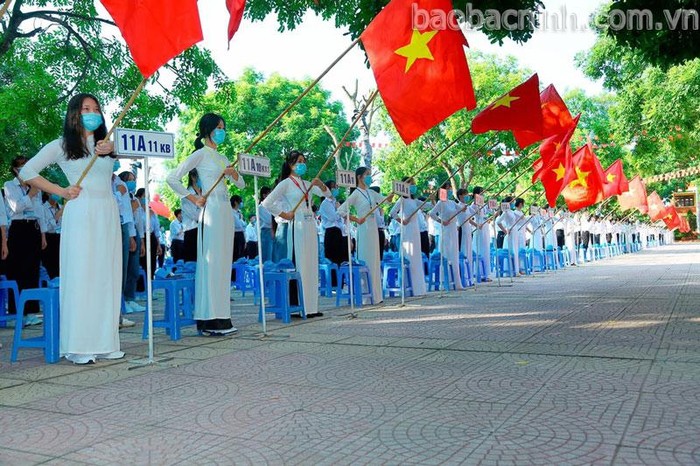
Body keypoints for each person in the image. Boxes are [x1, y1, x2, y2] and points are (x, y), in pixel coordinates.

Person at [20, 93, 123, 363]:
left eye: (96, 109)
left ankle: (106, 342)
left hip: (107, 211)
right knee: (82, 274)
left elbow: (139, 152)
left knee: (106, 275)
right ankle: (79, 345)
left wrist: (112, 146)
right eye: (85, 108)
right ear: (74, 114)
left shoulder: (107, 144)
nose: (92, 113)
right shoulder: (62, 145)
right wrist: (61, 191)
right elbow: (28, 171)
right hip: (81, 212)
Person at [167, 113, 245, 335]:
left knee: (223, 263)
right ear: (208, 129)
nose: (222, 131)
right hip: (209, 210)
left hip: (224, 210)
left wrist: (233, 172)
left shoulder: (222, 157)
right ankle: (209, 318)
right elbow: (172, 177)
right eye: (219, 127)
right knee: (211, 263)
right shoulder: (200, 155)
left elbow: (241, 184)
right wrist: (192, 198)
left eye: (223, 127)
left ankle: (223, 316)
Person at [262, 150, 330, 317]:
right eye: (299, 161)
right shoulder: (285, 183)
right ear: (291, 164)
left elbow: (328, 195)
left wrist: (320, 185)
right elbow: (267, 202)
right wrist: (284, 214)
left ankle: (311, 306)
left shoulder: (307, 183)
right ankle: (298, 305)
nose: (302, 164)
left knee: (311, 264)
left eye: (304, 161)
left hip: (309, 224)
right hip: (296, 225)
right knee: (300, 263)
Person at [338, 167, 393, 304]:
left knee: (375, 260)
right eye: (367, 175)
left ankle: (376, 294)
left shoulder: (370, 192)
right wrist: (356, 219)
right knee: (366, 260)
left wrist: (392, 195)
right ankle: (364, 295)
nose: (369, 177)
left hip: (373, 229)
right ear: (359, 177)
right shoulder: (356, 194)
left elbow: (385, 201)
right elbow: (341, 210)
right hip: (363, 229)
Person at [4, 156, 47, 323]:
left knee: (32, 270)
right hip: (18, 229)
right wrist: (30, 194)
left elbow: (40, 212)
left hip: (34, 229)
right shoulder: (9, 186)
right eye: (21, 166)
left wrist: (43, 234)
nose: (24, 168)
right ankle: (17, 313)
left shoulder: (36, 185)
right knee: (17, 270)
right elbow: (16, 207)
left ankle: (31, 312)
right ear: (15, 169)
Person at [390, 178, 427, 296]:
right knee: (409, 256)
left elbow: (427, 206)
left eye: (414, 184)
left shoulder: (414, 200)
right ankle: (407, 285)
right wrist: (402, 221)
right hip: (407, 231)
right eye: (411, 184)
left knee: (416, 256)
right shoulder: (402, 200)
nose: (413, 186)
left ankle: (418, 286)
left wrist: (432, 198)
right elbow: (392, 213)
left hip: (416, 230)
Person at [429, 183, 465, 290]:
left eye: (450, 189)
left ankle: (457, 282)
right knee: (446, 254)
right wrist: (441, 221)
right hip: (445, 230)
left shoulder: (452, 202)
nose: (449, 191)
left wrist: (463, 207)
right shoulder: (441, 203)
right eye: (447, 189)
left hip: (454, 230)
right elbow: (432, 214)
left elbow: (461, 209)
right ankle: (444, 281)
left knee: (454, 255)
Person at [319, 180, 347, 268]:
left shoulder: (335, 202)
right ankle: (334, 280)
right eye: (334, 187)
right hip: (331, 233)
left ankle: (340, 280)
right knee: (333, 259)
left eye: (336, 187)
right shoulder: (325, 204)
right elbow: (333, 217)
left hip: (339, 232)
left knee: (341, 259)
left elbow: (342, 219)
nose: (336, 189)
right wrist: (339, 210)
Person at [181, 169, 201, 263]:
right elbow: (196, 216)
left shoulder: (203, 193)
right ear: (193, 177)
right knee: (193, 264)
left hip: (204, 230)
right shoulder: (187, 194)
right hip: (192, 232)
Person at [40, 192, 62, 279]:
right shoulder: (43, 207)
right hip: (49, 238)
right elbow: (46, 226)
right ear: (48, 193)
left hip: (60, 238)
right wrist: (58, 214)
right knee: (51, 267)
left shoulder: (60, 206)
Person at [257, 186, 273, 262]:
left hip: (271, 230)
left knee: (271, 254)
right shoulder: (261, 207)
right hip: (266, 231)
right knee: (267, 254)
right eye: (269, 194)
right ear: (264, 195)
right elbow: (269, 220)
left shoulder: (271, 206)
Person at [230, 195, 246, 263]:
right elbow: (239, 225)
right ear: (236, 202)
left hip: (241, 234)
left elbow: (243, 225)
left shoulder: (239, 213)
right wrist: (242, 222)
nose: (241, 203)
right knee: (236, 254)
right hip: (235, 235)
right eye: (240, 201)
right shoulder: (231, 212)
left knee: (241, 255)